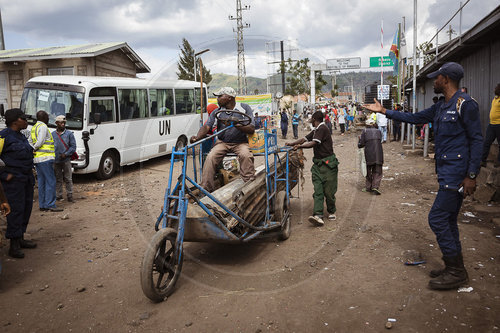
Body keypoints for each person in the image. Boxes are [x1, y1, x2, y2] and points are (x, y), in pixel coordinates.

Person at [364, 62, 483, 290]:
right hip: (446, 171)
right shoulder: (440, 107)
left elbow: (476, 140)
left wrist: (472, 175)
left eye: (436, 78)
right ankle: (454, 267)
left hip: (457, 173)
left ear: (446, 79)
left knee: (437, 219)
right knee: (448, 220)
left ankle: (456, 271)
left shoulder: (465, 104)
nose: (434, 81)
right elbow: (415, 118)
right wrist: (384, 111)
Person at [190, 87, 255, 192]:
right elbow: (207, 126)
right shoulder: (218, 111)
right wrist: (197, 137)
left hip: (240, 143)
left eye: (220, 96)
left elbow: (251, 129)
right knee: (210, 157)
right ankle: (206, 188)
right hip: (223, 143)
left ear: (229, 98)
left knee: (246, 155)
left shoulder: (244, 108)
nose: (217, 99)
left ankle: (249, 185)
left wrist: (235, 124)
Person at [286, 111, 339, 226]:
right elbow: (304, 139)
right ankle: (318, 215)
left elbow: (313, 143)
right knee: (318, 190)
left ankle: (331, 210)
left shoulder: (322, 129)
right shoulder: (316, 130)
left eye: (311, 120)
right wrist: (292, 144)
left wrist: (299, 147)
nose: (310, 122)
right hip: (318, 165)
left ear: (315, 119)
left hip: (329, 164)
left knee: (329, 192)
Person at [0, 109, 36, 258]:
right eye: (23, 119)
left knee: (26, 209)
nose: (26, 121)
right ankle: (13, 246)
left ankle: (20, 238)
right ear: (15, 121)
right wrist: (3, 175)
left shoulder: (21, 136)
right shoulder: (3, 136)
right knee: (15, 211)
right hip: (14, 182)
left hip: (26, 179)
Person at [29, 110, 63, 212]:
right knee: (51, 181)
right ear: (44, 118)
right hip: (45, 159)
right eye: (48, 117)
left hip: (38, 159)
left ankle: (43, 205)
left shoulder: (34, 127)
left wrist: (32, 149)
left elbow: (30, 141)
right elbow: (40, 141)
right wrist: (35, 148)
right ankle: (50, 204)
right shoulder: (43, 127)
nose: (49, 119)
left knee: (42, 182)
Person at [52, 115, 76, 202]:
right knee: (58, 179)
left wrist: (66, 154)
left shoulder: (69, 134)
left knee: (68, 178)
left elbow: (73, 147)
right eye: (61, 123)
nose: (63, 124)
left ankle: (70, 195)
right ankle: (59, 195)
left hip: (66, 160)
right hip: (56, 160)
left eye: (64, 123)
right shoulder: (53, 134)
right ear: (56, 123)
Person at [358, 118, 383, 194]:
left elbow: (361, 144)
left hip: (368, 154)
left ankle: (368, 187)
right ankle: (375, 187)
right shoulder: (379, 131)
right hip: (379, 154)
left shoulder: (364, 131)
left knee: (368, 171)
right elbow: (380, 140)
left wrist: (359, 140)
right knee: (377, 171)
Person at [481, 83, 500, 167]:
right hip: (491, 125)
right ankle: (482, 160)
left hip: (499, 125)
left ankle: (499, 162)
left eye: (496, 88)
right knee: (486, 143)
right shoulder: (495, 99)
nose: (494, 89)